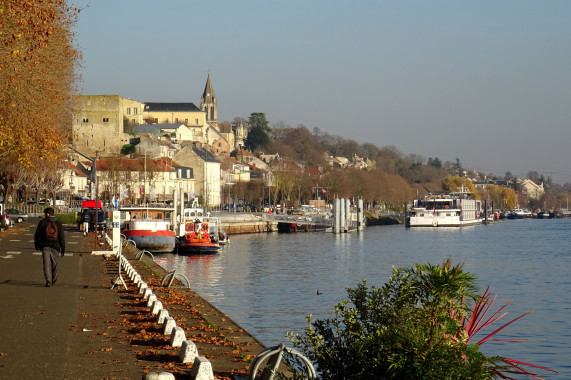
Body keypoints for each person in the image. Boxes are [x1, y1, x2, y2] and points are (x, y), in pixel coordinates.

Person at [34, 207, 65, 287]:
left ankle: (48, 280)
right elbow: (61, 236)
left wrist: (37, 245)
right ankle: (54, 277)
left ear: (47, 214)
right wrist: (63, 248)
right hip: (55, 245)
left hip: (45, 245)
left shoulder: (42, 222)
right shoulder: (58, 223)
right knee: (54, 263)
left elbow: (37, 235)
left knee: (46, 263)